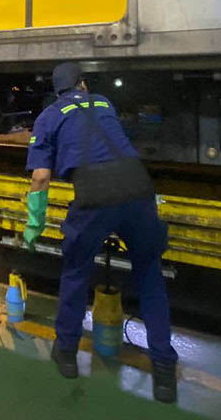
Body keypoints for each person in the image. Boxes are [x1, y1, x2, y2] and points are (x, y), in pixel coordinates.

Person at [22, 62, 178, 403]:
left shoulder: (49, 115)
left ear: (57, 91)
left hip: (94, 197)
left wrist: (33, 227)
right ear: (83, 85)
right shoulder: (104, 102)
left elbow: (40, 178)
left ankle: (66, 354)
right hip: (138, 189)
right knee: (150, 275)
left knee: (76, 273)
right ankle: (164, 371)